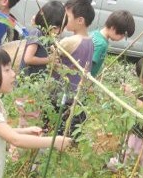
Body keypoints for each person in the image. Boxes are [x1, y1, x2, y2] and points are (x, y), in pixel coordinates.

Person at [0, 47, 71, 177]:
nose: (13, 74)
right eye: (7, 70)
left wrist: (25, 131)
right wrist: (54, 142)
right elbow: (15, 140)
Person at [51, 0, 95, 136]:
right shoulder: (90, 41)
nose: (64, 20)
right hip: (75, 93)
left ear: (80, 20)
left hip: (60, 92)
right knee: (64, 128)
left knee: (52, 125)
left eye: (67, 17)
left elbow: (52, 58)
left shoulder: (70, 41)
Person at [19, 1, 67, 76]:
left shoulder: (49, 37)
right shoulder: (37, 33)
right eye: (56, 27)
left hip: (39, 79)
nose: (58, 31)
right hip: (28, 80)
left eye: (61, 28)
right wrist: (49, 60)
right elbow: (28, 58)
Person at [90, 10, 135, 76]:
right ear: (113, 28)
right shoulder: (101, 44)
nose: (121, 38)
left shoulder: (94, 33)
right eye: (122, 35)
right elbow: (88, 65)